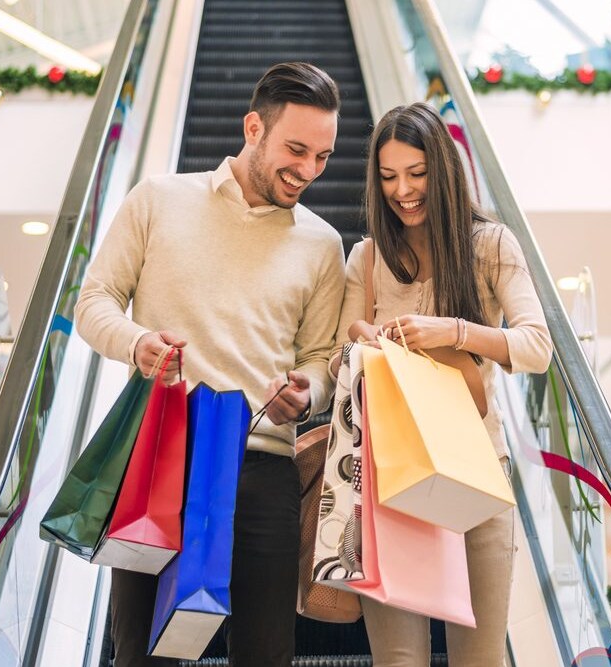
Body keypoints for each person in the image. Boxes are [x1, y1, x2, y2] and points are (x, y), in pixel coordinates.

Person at [75, 62, 346, 667]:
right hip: (160, 462)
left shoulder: (324, 245)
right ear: (254, 127)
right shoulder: (156, 201)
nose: (308, 171)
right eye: (295, 149)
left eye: (323, 156)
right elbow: (93, 301)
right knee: (144, 655)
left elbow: (323, 359)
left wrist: (308, 391)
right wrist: (137, 343)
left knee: (265, 655)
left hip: (266, 471)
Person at [334, 102, 553, 666]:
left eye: (416, 173)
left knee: (479, 659)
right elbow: (341, 364)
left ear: (444, 170)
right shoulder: (368, 257)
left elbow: (536, 347)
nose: (402, 191)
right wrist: (360, 341)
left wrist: (452, 331)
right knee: (398, 660)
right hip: (390, 479)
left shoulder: (491, 245)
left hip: (477, 472)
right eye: (387, 178)